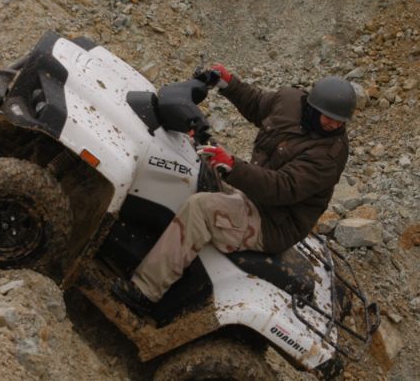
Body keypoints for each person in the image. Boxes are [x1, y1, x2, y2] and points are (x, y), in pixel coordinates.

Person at [113, 64, 357, 314]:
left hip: (272, 221)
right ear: (312, 105)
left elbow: (281, 187)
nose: (332, 124)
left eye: (339, 121)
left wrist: (233, 166)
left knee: (201, 209)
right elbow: (257, 105)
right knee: (191, 160)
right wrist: (228, 83)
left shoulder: (329, 156)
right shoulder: (290, 100)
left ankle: (145, 290)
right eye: (328, 117)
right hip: (255, 190)